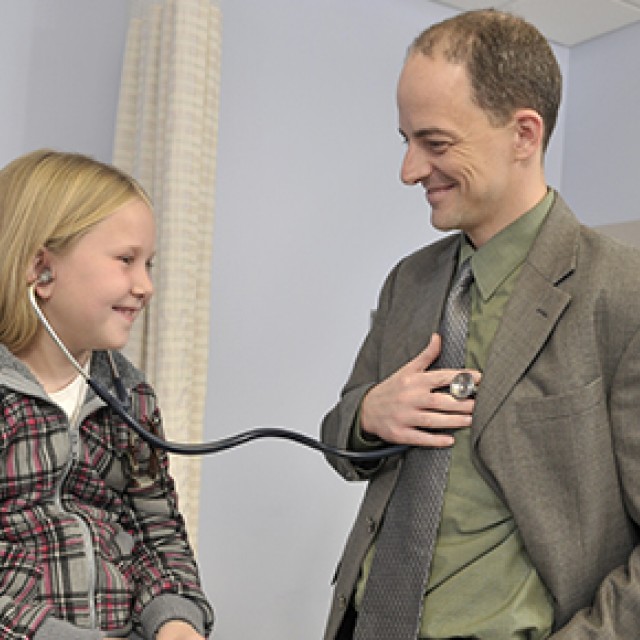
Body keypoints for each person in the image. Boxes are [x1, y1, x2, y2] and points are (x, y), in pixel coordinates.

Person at [321, 9, 640, 640]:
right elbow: (340, 441)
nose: (409, 171)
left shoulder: (622, 293)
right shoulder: (408, 282)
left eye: (435, 144)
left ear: (524, 134)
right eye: (406, 141)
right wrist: (367, 415)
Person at [0, 149, 214, 640]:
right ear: (41, 269)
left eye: (149, 264)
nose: (145, 286)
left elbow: (156, 528)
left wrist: (177, 618)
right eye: (126, 261)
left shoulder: (129, 397)